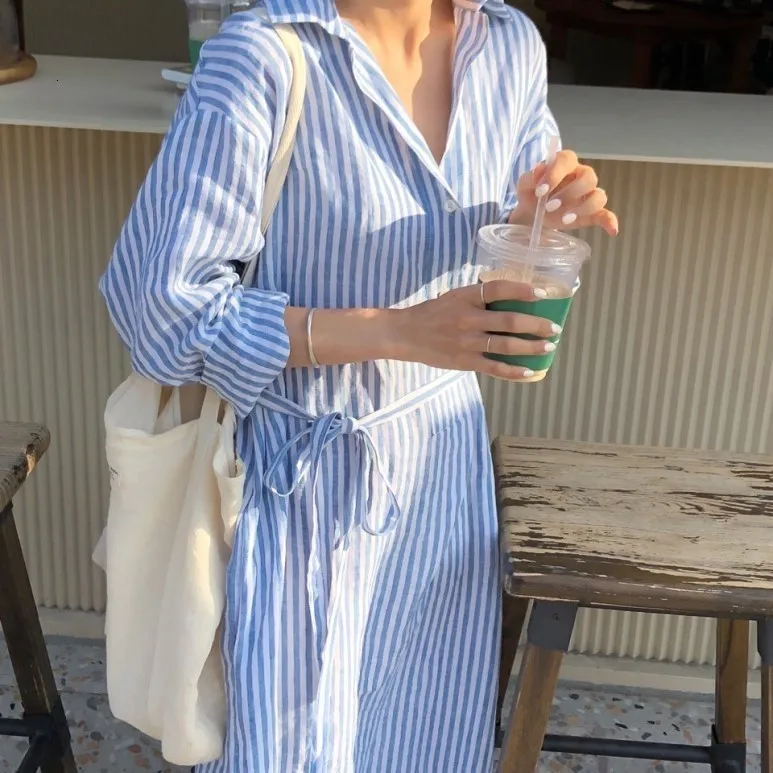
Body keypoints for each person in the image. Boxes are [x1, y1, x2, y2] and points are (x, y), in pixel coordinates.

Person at [99, 0, 618, 768]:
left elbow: (515, 230)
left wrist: (537, 215)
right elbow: (164, 317)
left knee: (426, 740)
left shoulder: (506, 46)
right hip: (303, 485)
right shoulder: (266, 55)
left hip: (444, 479)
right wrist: (397, 330)